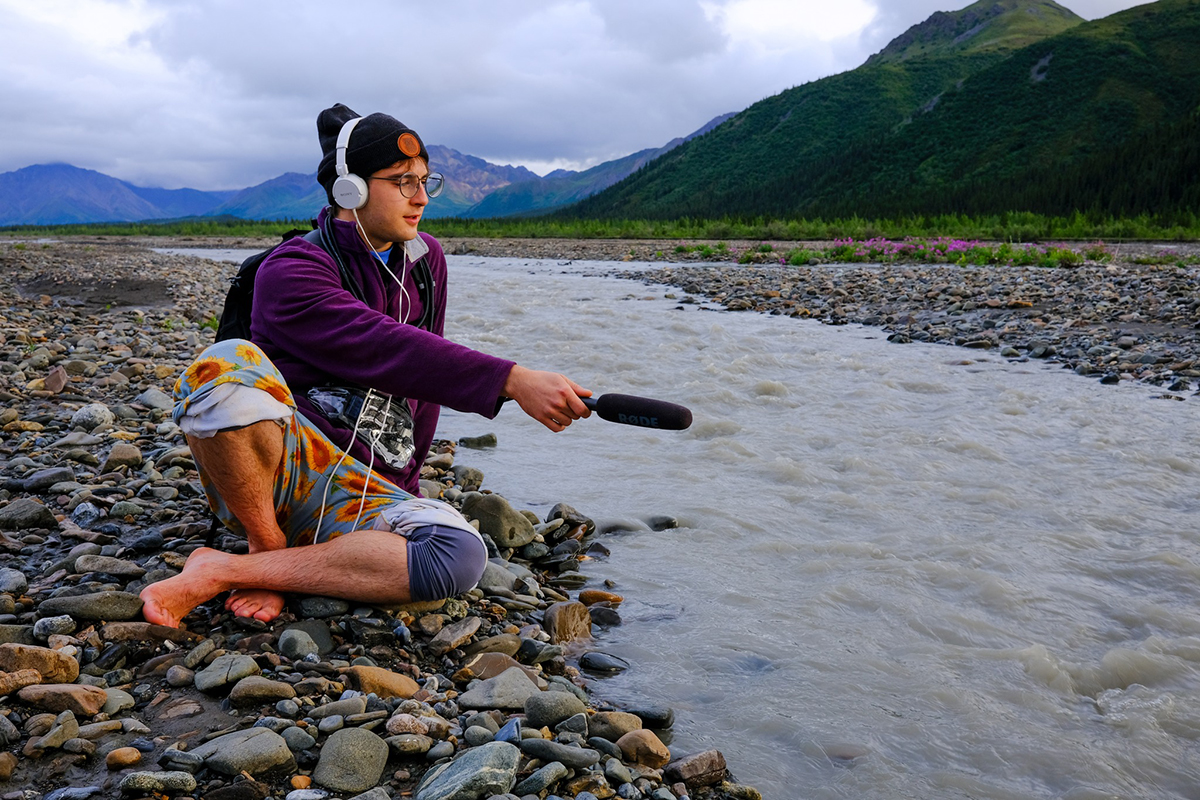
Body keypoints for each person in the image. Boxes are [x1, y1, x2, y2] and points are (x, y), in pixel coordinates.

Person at [140, 103, 591, 629]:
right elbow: (384, 346)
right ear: (348, 189)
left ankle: (230, 569)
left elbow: (421, 383)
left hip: (368, 487)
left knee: (458, 557)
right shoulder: (291, 271)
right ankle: (263, 546)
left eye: (426, 181)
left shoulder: (425, 262)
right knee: (221, 365)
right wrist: (509, 379)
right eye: (402, 181)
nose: (421, 197)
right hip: (286, 475)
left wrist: (409, 489)